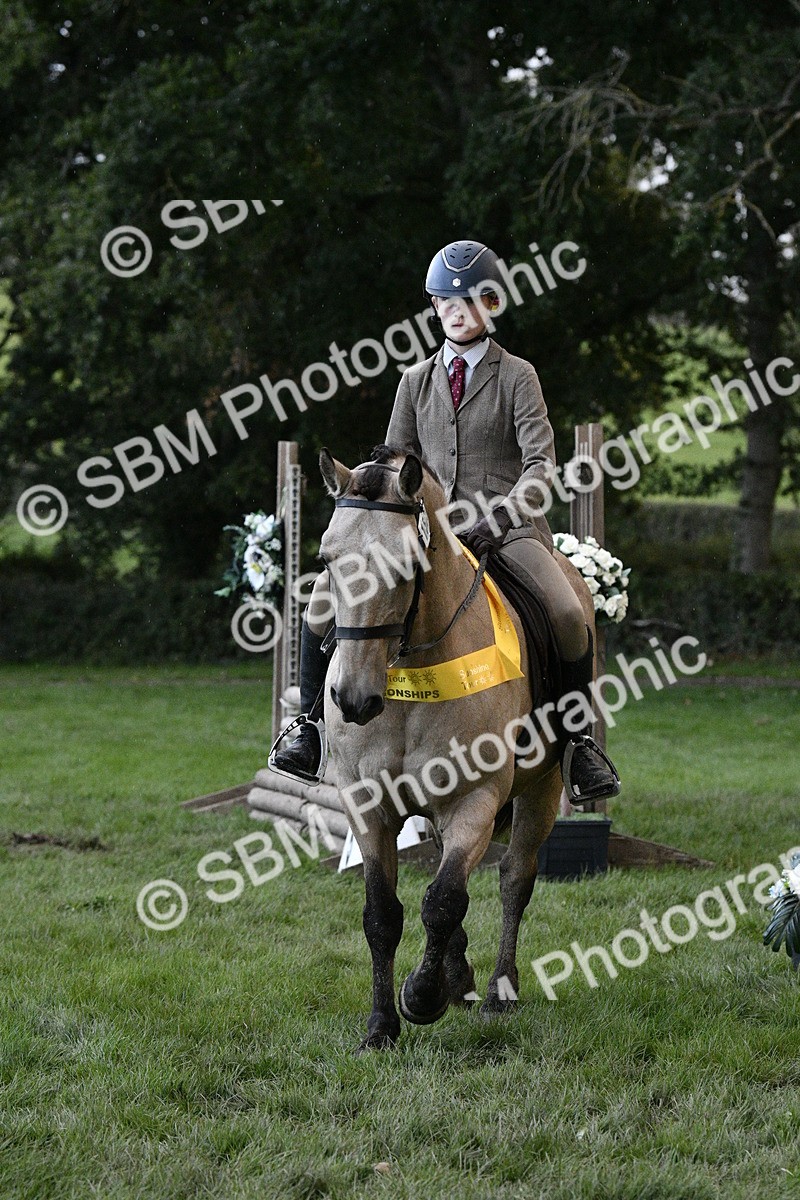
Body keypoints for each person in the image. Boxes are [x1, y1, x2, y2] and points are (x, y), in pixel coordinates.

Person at [271, 239, 620, 804]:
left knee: (565, 612)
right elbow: (392, 462)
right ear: (434, 307)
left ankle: (578, 744)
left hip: (508, 534)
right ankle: (308, 729)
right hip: (430, 536)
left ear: (492, 305)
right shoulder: (415, 380)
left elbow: (541, 465)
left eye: (469, 300)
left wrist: (503, 516)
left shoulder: (518, 376)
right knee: (320, 603)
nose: (456, 311)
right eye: (445, 301)